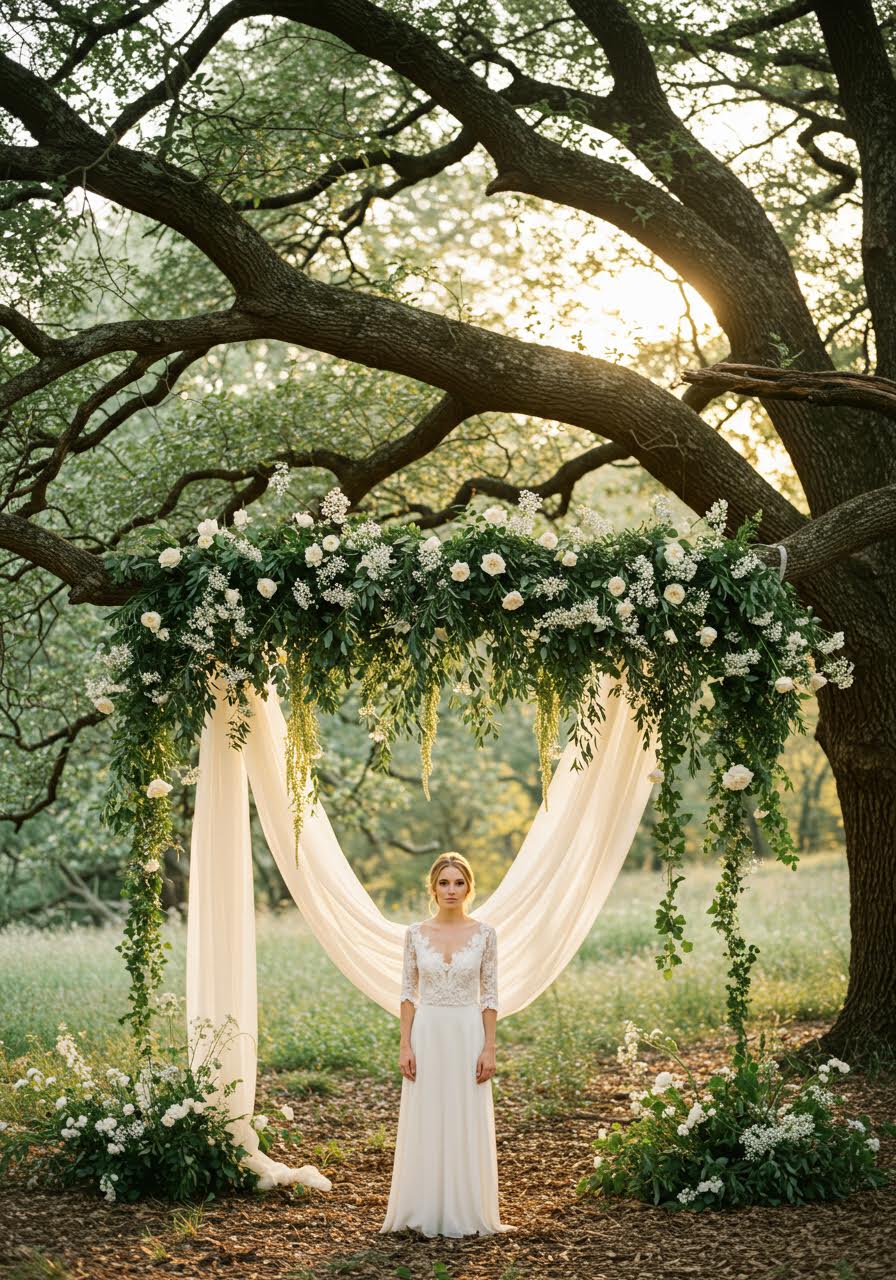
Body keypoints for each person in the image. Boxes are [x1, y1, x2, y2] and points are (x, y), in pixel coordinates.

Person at [379, 852, 514, 1237]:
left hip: (467, 1032)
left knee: (464, 1113)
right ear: (433, 888)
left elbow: (490, 995)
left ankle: (466, 1209)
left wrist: (489, 1047)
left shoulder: (485, 934)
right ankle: (422, 1207)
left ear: (469, 887)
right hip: (429, 1031)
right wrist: (404, 1045)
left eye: (458, 882)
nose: (451, 890)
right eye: (444, 883)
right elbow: (408, 993)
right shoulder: (415, 934)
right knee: (428, 1114)